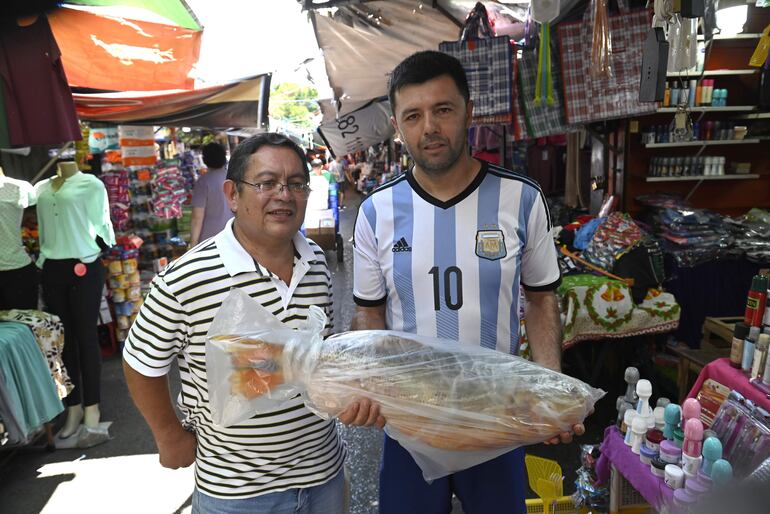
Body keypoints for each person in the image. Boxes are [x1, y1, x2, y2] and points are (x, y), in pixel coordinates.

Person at [349, 50, 580, 514]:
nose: (429, 127)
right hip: (411, 423)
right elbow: (369, 314)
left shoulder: (522, 199)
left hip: (496, 418)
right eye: (413, 115)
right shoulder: (376, 212)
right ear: (398, 126)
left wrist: (549, 385)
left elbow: (540, 301)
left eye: (443, 110)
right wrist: (365, 385)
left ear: (469, 111)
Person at [123, 133, 348, 514]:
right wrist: (168, 435)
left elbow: (315, 362)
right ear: (232, 195)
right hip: (237, 493)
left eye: (296, 184)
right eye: (265, 183)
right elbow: (141, 362)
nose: (284, 194)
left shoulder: (316, 263)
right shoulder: (185, 279)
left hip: (323, 475)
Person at [189, 142, 233, 247]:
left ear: (205, 159)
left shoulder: (203, 182)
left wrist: (193, 244)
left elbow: (197, 217)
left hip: (210, 240)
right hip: (234, 236)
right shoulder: (234, 178)